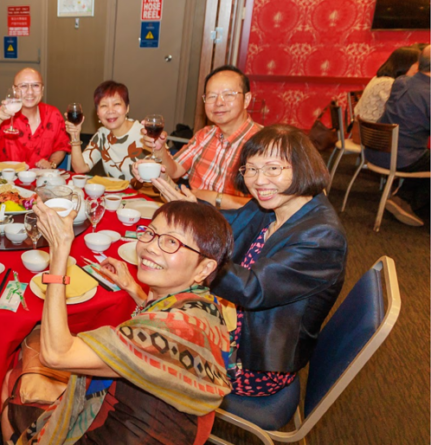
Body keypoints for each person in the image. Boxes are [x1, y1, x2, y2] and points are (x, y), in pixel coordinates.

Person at [1, 200, 233, 444]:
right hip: (161, 426)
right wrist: (134, 290)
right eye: (151, 233)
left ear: (204, 268)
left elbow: (57, 354)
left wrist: (59, 254)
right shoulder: (204, 308)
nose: (151, 247)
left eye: (171, 242)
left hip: (116, 431)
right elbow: (161, 333)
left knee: (12, 380)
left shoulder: (173, 331)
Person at [152, 124, 347, 397]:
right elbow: (232, 226)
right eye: (251, 169)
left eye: (273, 168)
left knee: (149, 347)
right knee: (156, 308)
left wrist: (195, 250)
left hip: (254, 360)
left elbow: (252, 289)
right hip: (240, 325)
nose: (259, 180)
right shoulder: (273, 205)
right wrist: (195, 213)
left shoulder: (321, 237)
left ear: (303, 167)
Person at [135, 65, 262, 210]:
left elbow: (264, 206)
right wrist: (159, 149)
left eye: (228, 95)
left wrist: (212, 198)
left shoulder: (265, 143)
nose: (219, 102)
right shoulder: (205, 135)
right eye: (211, 96)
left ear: (246, 99)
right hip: (191, 216)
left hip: (235, 226)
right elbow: (174, 171)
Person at [374, 45, 431, 226]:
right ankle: (411, 204)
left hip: (376, 150)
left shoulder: (401, 82)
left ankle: (402, 198)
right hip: (400, 158)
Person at [0, 68, 70, 168]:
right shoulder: (4, 112)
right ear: (14, 90)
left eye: (35, 85)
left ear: (42, 89)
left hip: (41, 178)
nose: (30, 92)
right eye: (23, 86)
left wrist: (52, 164)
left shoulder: (53, 114)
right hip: (9, 179)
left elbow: (61, 146)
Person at [69, 80, 146, 180]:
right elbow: (80, 168)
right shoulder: (102, 135)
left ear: (127, 108)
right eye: (104, 105)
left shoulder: (143, 133)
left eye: (117, 104)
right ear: (97, 112)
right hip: (117, 194)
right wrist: (75, 135)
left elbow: (171, 170)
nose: (110, 111)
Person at [354, 46, 420, 123]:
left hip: (374, 128)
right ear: (406, 64)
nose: (420, 68)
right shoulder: (386, 82)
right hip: (372, 131)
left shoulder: (384, 79)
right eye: (418, 64)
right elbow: (400, 110)